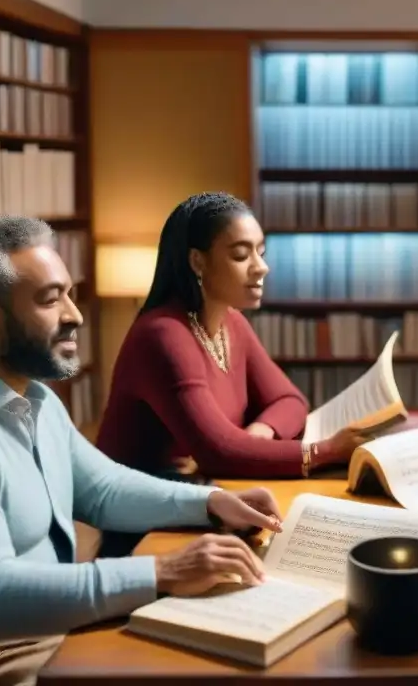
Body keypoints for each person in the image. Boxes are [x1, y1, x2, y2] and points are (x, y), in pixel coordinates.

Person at [0, 215, 287, 686]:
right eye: (51, 299)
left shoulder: (34, 398)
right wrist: (163, 570)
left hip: (49, 629)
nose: (74, 314)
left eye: (69, 294)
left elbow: (104, 489)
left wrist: (211, 503)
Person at [95, 193, 364, 555]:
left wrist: (260, 433)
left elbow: (290, 400)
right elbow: (220, 452)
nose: (261, 267)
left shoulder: (229, 322)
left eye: (261, 252)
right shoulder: (163, 335)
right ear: (197, 261)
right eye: (241, 254)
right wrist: (327, 451)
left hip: (212, 501)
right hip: (150, 531)